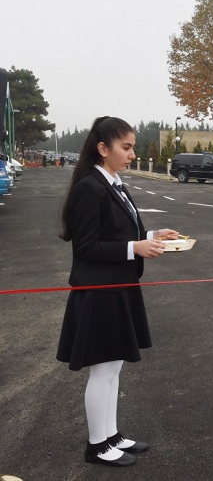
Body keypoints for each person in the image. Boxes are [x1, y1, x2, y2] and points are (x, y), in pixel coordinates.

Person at [56, 116, 179, 467]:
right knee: (103, 370)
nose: (131, 153)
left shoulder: (113, 182)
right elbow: (87, 248)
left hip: (118, 287)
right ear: (102, 148)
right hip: (99, 290)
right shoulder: (89, 187)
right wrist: (135, 249)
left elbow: (118, 232)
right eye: (125, 147)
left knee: (114, 368)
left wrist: (152, 237)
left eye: (132, 147)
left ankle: (111, 435)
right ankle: (97, 446)